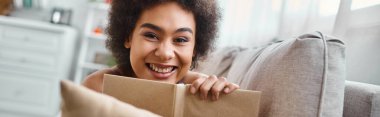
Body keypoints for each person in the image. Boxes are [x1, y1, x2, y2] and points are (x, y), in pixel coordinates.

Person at [83, 0, 239, 101]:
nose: (165, 53)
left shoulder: (203, 92)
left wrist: (226, 102)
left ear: (195, 47)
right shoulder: (98, 88)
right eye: (151, 36)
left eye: (181, 40)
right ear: (128, 37)